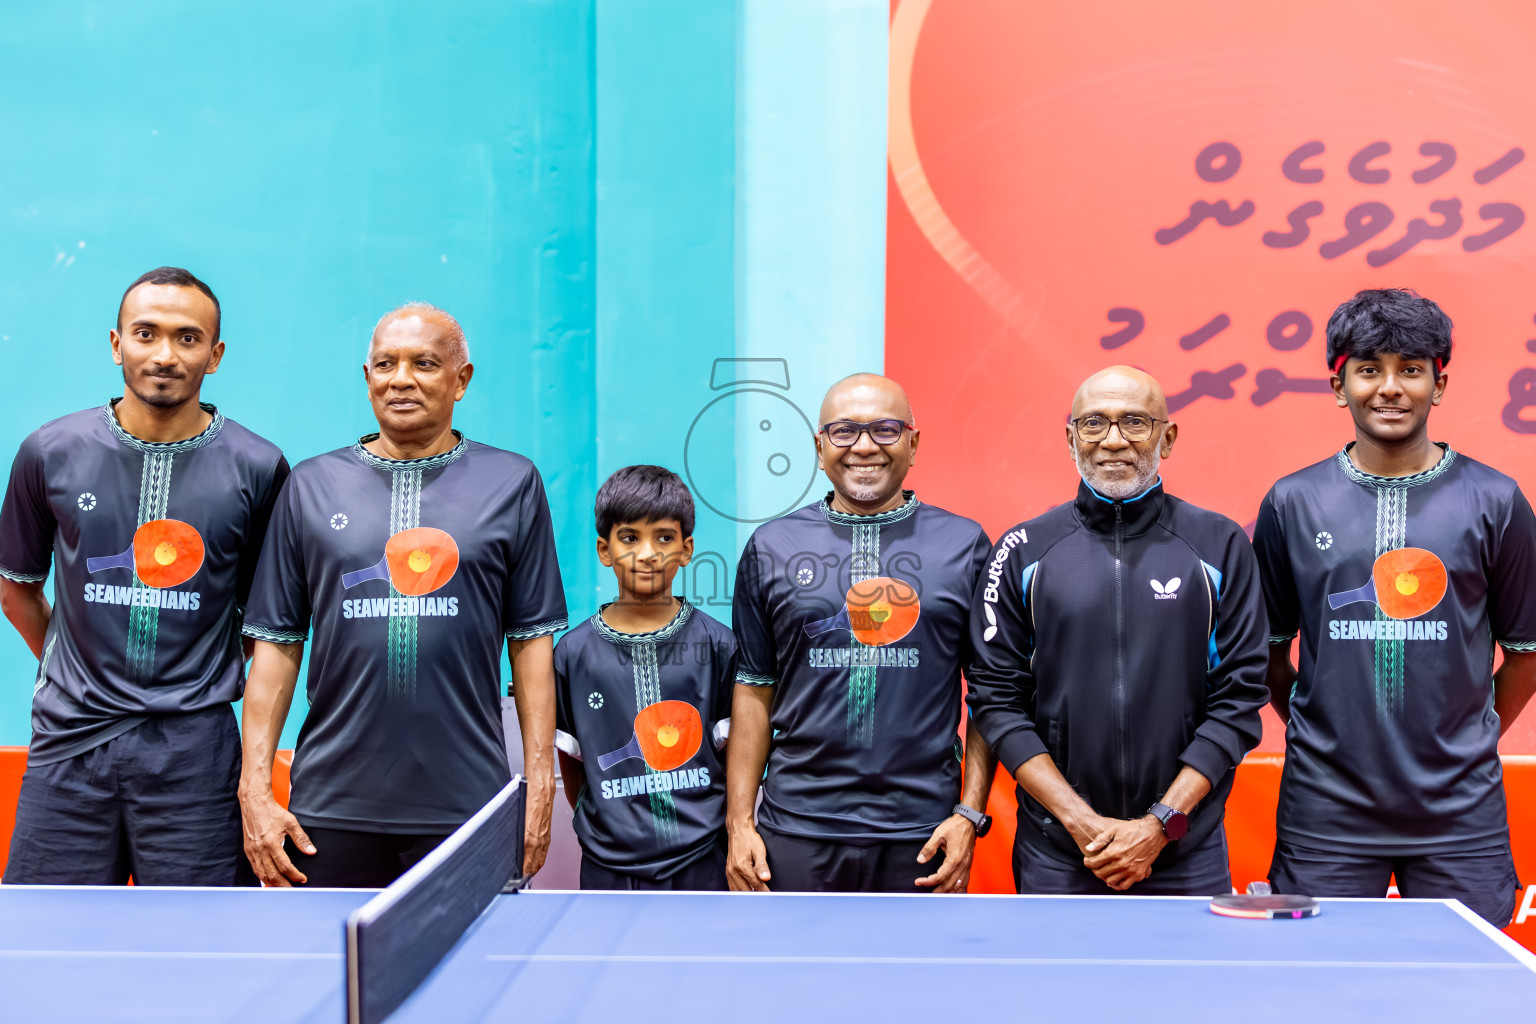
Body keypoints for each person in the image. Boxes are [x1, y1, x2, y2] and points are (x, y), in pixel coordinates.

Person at [236, 303, 566, 888]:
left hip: (468, 808)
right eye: (385, 364)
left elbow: (532, 644)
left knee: (471, 979)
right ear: (367, 379)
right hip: (328, 810)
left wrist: (537, 785)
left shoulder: (512, 482)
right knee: (330, 978)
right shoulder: (310, 486)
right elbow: (277, 648)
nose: (402, 378)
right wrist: (255, 789)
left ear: (461, 380)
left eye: (425, 363)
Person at [1253, 289, 1536, 926]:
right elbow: (1267, 653)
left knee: (1469, 998)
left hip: (1460, 810)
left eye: (1411, 370)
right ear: (1338, 383)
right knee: (1318, 992)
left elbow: (1526, 652)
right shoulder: (1291, 503)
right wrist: (1318, 726)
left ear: (1439, 384)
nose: (1390, 388)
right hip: (1325, 807)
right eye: (1369, 369)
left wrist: (1470, 731)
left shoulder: (1496, 500)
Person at [0, 266, 288, 885]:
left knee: (203, 955)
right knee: (46, 947)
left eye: (187, 338)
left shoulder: (258, 467)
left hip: (197, 756)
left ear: (215, 355)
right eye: (146, 333)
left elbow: (266, 627)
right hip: (68, 748)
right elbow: (16, 587)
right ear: (116, 344)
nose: (164, 354)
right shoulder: (48, 452)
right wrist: (67, 660)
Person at [967, 366, 1268, 895]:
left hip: (1184, 848)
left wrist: (1159, 825)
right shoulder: (1020, 551)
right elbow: (996, 702)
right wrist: (1081, 823)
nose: (1113, 440)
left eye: (1134, 422)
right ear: (1070, 438)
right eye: (1094, 424)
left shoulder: (1219, 544)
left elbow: (1239, 703)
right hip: (1058, 850)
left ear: (1167, 437)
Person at [727, 373, 995, 893]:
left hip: (923, 832)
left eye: (886, 430)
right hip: (796, 828)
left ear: (914, 444)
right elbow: (753, 689)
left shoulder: (965, 545)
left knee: (918, 977)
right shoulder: (771, 546)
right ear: (820, 447)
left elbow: (988, 694)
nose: (865, 447)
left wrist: (969, 814)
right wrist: (739, 823)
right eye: (845, 431)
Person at [554, 466, 736, 890]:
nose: (648, 553)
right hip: (608, 864)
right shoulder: (572, 654)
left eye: (664, 538)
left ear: (687, 549)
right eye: (630, 537)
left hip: (705, 860)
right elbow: (573, 760)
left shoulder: (719, 645)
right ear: (604, 549)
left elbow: (736, 755)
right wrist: (601, 820)